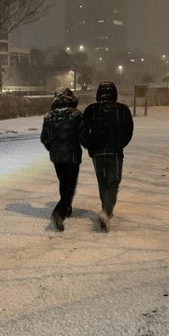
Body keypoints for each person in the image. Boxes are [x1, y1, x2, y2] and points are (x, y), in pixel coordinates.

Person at [80, 81, 133, 232]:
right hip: (115, 152)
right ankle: (107, 211)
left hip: (97, 153)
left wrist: (90, 146)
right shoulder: (122, 110)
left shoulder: (91, 110)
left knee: (102, 181)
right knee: (113, 182)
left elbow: (82, 132)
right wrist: (119, 144)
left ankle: (105, 208)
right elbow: (128, 131)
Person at [40, 87, 83, 231]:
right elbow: (82, 136)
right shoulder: (77, 115)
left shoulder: (49, 116)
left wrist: (54, 149)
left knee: (63, 182)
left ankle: (67, 209)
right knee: (69, 186)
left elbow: (44, 138)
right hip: (72, 156)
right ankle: (59, 212)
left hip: (57, 158)